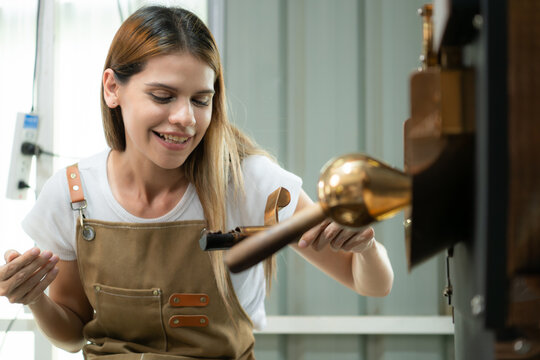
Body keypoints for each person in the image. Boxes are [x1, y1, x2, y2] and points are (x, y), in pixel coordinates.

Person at [0, 5, 393, 359]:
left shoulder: (248, 182)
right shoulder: (74, 195)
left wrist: (366, 248)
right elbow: (72, 335)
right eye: (163, 95)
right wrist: (34, 300)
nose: (185, 118)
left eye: (201, 100)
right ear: (112, 88)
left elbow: (372, 286)